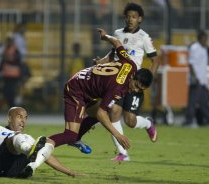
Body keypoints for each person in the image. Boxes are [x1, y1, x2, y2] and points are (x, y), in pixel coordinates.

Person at [31, 28, 153, 169]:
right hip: (77, 90)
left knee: (97, 115)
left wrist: (105, 36)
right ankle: (40, 145)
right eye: (136, 85)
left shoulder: (130, 64)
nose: (135, 90)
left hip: (86, 83)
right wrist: (119, 135)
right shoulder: (117, 88)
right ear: (133, 76)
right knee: (70, 134)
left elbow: (117, 42)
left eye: (140, 89)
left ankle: (76, 138)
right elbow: (102, 114)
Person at [71, 2, 159, 161]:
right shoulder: (118, 33)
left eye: (134, 17)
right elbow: (113, 54)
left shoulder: (144, 37)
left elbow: (155, 60)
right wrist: (101, 63)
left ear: (140, 19)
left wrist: (146, 80)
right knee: (113, 113)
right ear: (125, 18)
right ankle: (122, 153)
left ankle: (147, 124)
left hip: (134, 83)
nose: (130, 19)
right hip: (118, 81)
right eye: (128, 16)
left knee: (130, 121)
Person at [0, 107, 80, 178]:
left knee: (40, 142)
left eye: (25, 118)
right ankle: (32, 156)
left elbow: (48, 156)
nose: (23, 121)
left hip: (15, 171)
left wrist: (71, 172)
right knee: (21, 138)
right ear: (9, 118)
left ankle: (31, 164)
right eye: (19, 116)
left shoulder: (26, 137)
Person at [183, 30, 209, 128]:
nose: (206, 41)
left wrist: (205, 81)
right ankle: (189, 121)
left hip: (203, 81)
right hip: (196, 80)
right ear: (200, 39)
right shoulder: (195, 48)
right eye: (204, 39)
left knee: (204, 101)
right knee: (192, 102)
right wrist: (194, 77)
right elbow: (191, 64)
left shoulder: (204, 48)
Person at [0, 37, 22, 107]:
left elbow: (18, 61)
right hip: (6, 75)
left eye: (9, 42)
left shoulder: (15, 50)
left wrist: (8, 60)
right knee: (6, 90)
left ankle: (12, 105)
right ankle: (9, 104)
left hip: (14, 75)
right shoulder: (5, 50)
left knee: (11, 91)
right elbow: (2, 63)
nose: (8, 43)